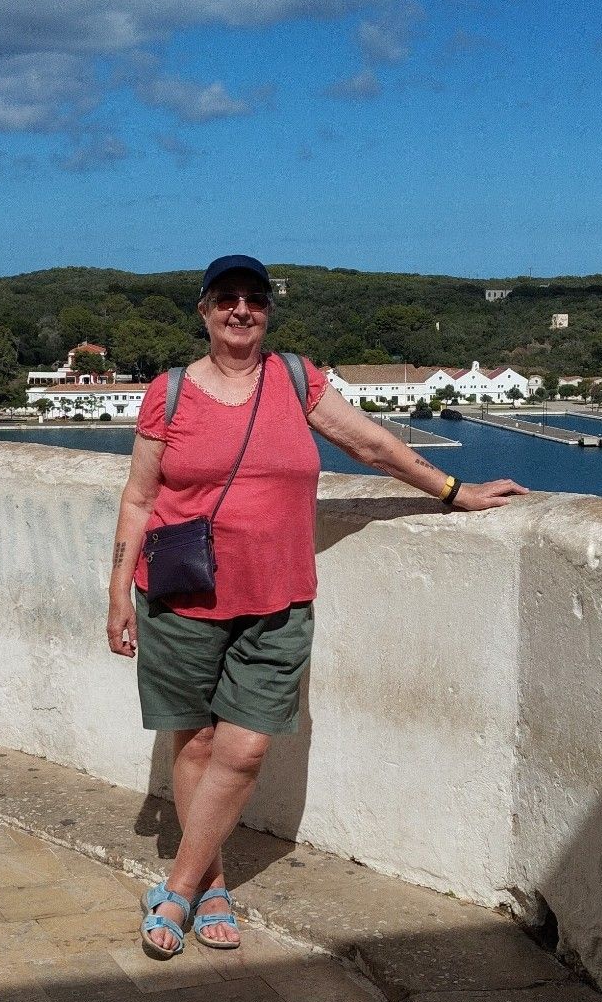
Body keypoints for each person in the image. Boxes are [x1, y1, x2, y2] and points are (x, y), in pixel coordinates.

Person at [106, 254, 527, 958]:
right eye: (226, 299)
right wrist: (117, 589)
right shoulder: (170, 392)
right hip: (178, 594)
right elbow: (140, 497)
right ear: (204, 311)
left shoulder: (297, 380)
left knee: (245, 747)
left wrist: (457, 490)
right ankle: (209, 886)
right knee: (196, 740)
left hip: (278, 598)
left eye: (254, 300)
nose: (241, 310)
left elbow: (373, 445)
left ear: (267, 311)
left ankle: (174, 888)